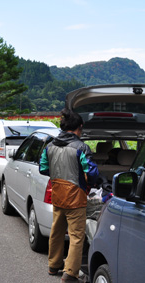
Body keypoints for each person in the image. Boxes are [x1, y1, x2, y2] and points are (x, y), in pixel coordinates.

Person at [39, 108, 99, 282]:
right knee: (76, 235)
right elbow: (93, 173)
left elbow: (43, 168)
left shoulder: (50, 146)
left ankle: (53, 265)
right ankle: (70, 272)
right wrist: (88, 180)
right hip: (75, 198)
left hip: (58, 195)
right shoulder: (81, 147)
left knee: (57, 231)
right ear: (79, 127)